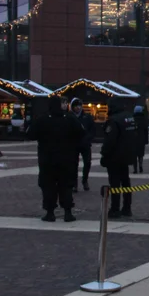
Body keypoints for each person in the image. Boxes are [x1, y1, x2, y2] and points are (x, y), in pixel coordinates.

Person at [27, 95, 84, 223]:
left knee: (48, 186)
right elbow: (81, 133)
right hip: (66, 158)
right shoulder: (69, 119)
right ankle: (68, 212)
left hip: (47, 159)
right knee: (66, 185)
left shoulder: (43, 119)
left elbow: (30, 134)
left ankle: (50, 212)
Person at [100, 99, 139, 218]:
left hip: (115, 156)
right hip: (128, 155)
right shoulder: (130, 117)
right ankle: (127, 207)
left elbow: (110, 140)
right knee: (126, 181)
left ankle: (115, 208)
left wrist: (104, 153)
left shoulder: (114, 120)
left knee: (115, 183)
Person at [69, 98, 96, 192]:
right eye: (76, 106)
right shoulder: (69, 117)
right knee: (73, 165)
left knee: (87, 162)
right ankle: (74, 184)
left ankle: (85, 180)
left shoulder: (87, 117)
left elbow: (92, 129)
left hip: (85, 144)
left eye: (79, 105)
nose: (78, 107)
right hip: (73, 144)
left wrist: (88, 138)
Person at [132, 105, 149, 174]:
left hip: (133, 140)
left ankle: (135, 169)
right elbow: (146, 131)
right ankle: (140, 166)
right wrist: (146, 140)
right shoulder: (143, 119)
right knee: (141, 155)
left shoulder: (132, 119)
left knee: (134, 155)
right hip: (141, 139)